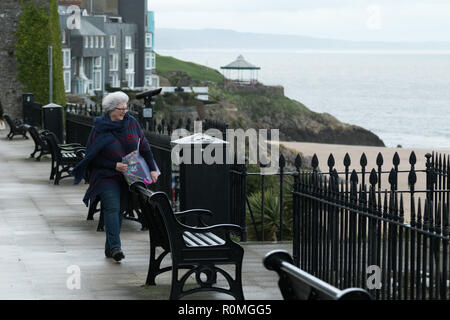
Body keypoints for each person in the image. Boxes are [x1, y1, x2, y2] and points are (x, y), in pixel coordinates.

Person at [71, 91, 159, 262]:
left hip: (128, 176)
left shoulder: (132, 123)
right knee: (111, 208)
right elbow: (91, 155)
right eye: (121, 109)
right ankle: (116, 248)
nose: (124, 112)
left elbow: (145, 146)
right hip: (105, 174)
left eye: (126, 108)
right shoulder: (100, 127)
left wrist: (153, 168)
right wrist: (113, 165)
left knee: (120, 210)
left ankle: (109, 248)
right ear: (111, 109)